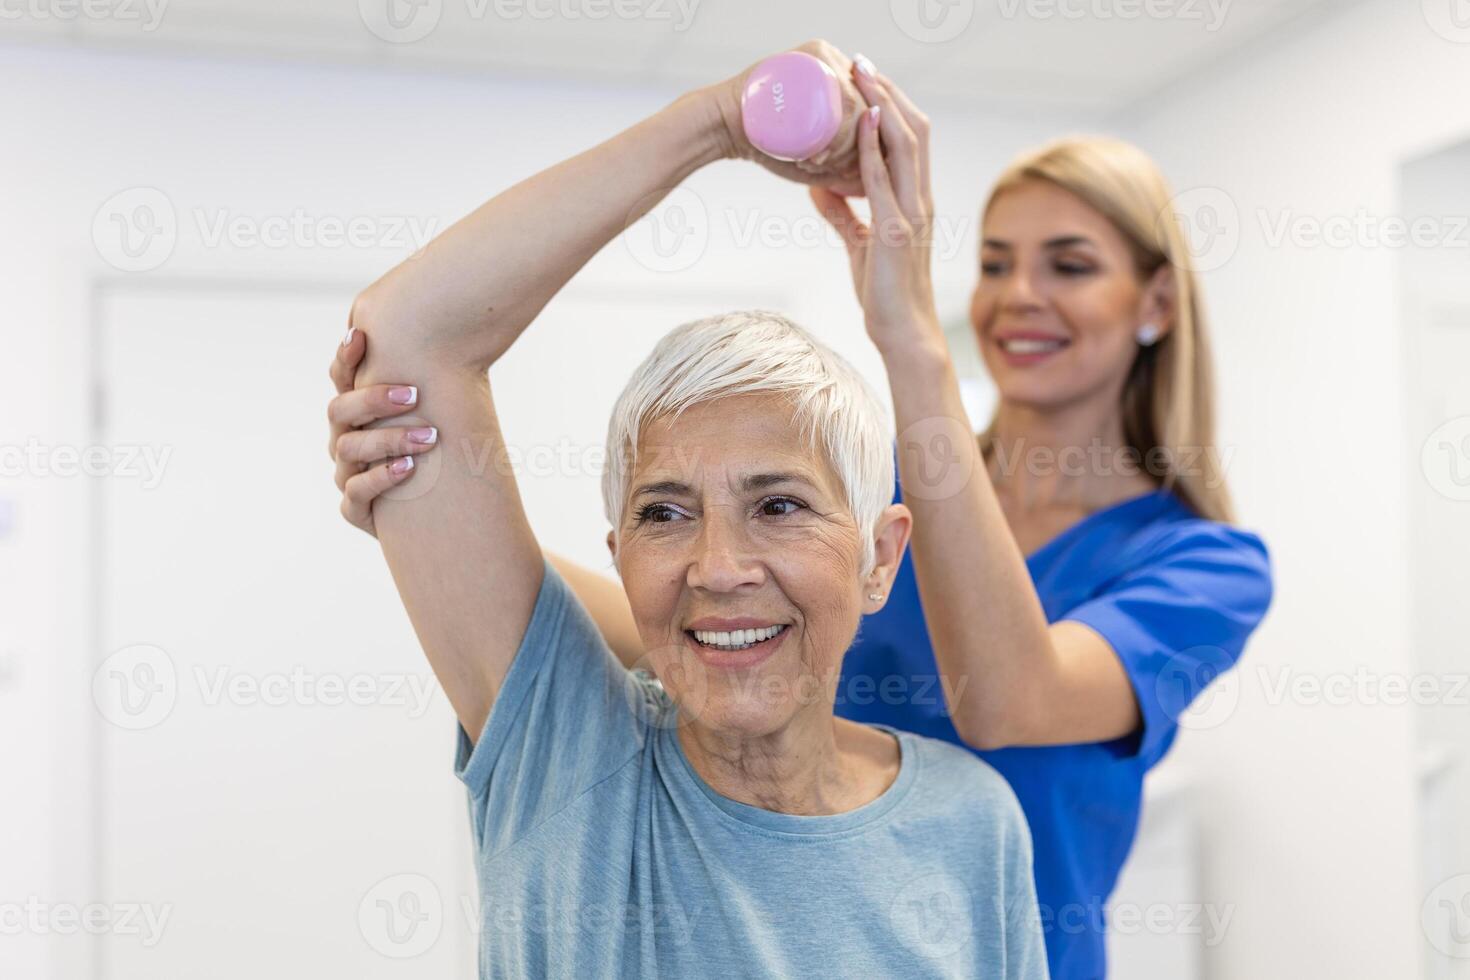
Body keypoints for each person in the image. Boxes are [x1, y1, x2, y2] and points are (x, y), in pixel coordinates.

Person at [327, 41, 1047, 979]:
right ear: (619, 553)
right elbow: (412, 334)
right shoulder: (570, 757)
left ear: (880, 556)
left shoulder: (972, 821)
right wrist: (717, 123)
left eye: (779, 504)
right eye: (666, 515)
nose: (718, 566)